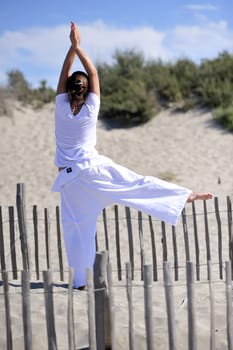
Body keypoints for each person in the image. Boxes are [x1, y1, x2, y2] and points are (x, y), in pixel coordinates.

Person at [52, 21, 213, 289]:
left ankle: (81, 281)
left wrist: (71, 50)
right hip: (94, 170)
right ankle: (185, 195)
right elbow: (93, 74)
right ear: (86, 89)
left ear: (67, 89)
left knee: (76, 230)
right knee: (137, 185)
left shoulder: (60, 106)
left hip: (71, 182)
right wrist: (78, 48)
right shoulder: (92, 106)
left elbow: (65, 74)